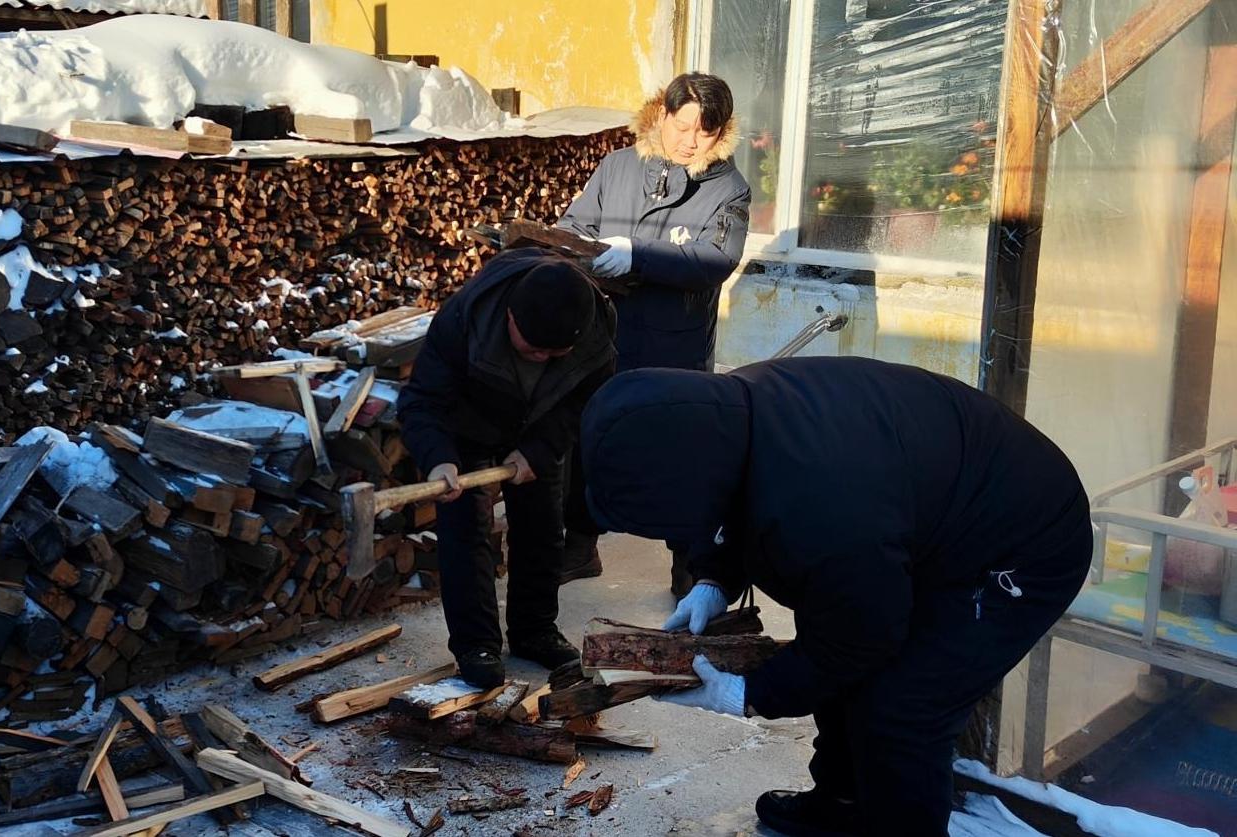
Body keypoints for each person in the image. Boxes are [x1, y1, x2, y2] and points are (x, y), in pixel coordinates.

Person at [579, 357, 1092, 836]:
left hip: (1023, 542)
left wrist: (751, 694)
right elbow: (729, 504)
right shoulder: (723, 418)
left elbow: (861, 635)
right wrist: (713, 579)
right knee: (840, 655)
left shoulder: (822, 503)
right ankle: (842, 804)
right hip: (926, 516)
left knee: (902, 709)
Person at [557, 71, 752, 589]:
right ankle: (579, 545)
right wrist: (576, 248)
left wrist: (638, 255)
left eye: (704, 133)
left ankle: (689, 563)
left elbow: (717, 258)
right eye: (681, 126)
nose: (689, 142)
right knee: (588, 437)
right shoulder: (618, 166)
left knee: (682, 451)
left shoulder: (728, 189)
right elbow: (577, 224)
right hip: (603, 334)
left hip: (675, 342)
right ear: (662, 115)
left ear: (721, 132)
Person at [397, 249, 616, 688]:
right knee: (466, 530)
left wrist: (541, 448)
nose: (542, 358)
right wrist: (438, 456)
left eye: (556, 352)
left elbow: (586, 402)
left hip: (540, 426)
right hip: (468, 425)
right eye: (533, 348)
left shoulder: (596, 327)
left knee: (543, 528)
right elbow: (421, 400)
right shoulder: (464, 318)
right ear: (511, 317)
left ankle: (535, 630)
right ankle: (476, 644)